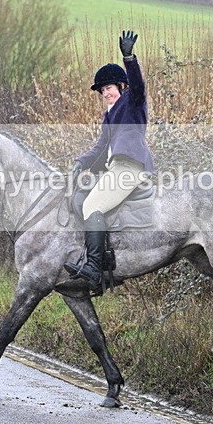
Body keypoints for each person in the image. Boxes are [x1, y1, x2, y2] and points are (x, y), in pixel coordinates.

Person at [64, 30, 155, 289]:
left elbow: (139, 86)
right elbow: (100, 148)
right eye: (102, 90)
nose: (106, 93)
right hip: (115, 168)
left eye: (109, 88)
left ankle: (93, 268)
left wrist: (129, 58)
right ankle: (95, 257)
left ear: (121, 87)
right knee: (81, 198)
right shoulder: (109, 114)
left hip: (131, 168)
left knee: (92, 206)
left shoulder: (133, 102)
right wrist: (80, 162)